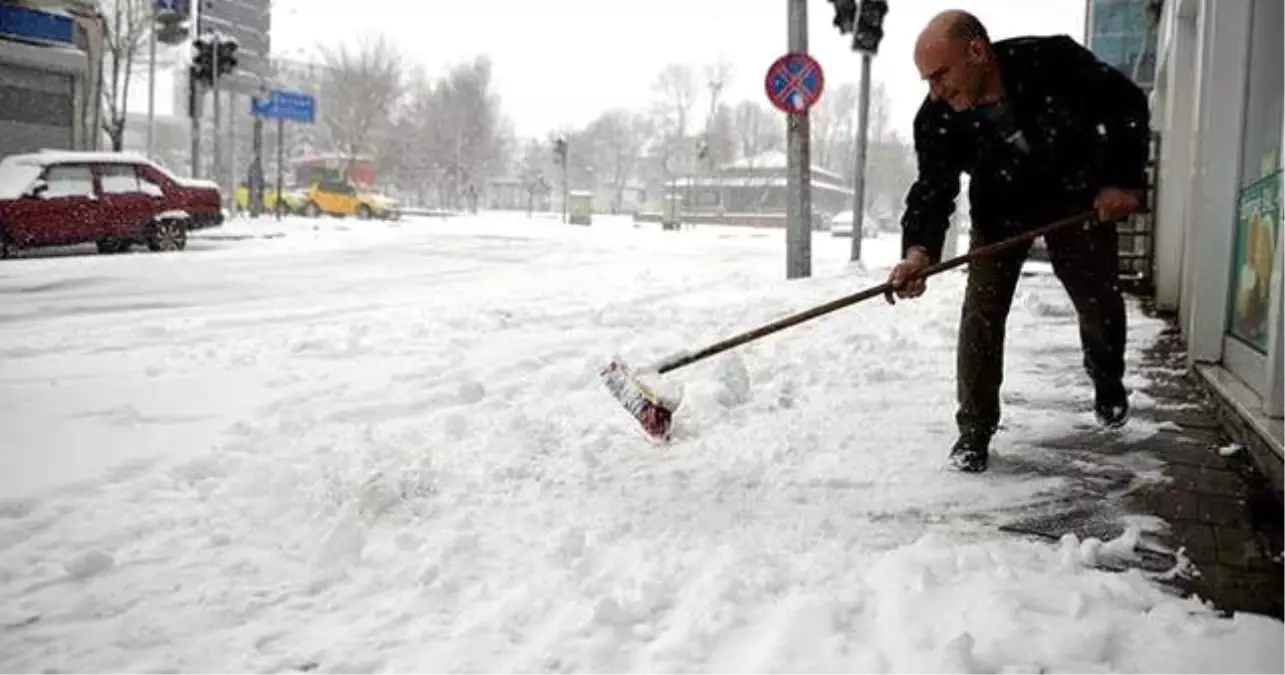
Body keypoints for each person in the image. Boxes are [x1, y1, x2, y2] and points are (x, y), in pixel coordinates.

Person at [887, 10, 1152, 473]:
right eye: (927, 80)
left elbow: (1127, 103)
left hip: (1075, 200)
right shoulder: (936, 119)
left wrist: (1122, 182)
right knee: (982, 313)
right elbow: (933, 190)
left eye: (941, 74)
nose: (936, 90)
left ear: (976, 51)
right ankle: (974, 430)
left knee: (1099, 304)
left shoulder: (1052, 62)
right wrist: (917, 253)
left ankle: (1107, 378)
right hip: (1001, 212)